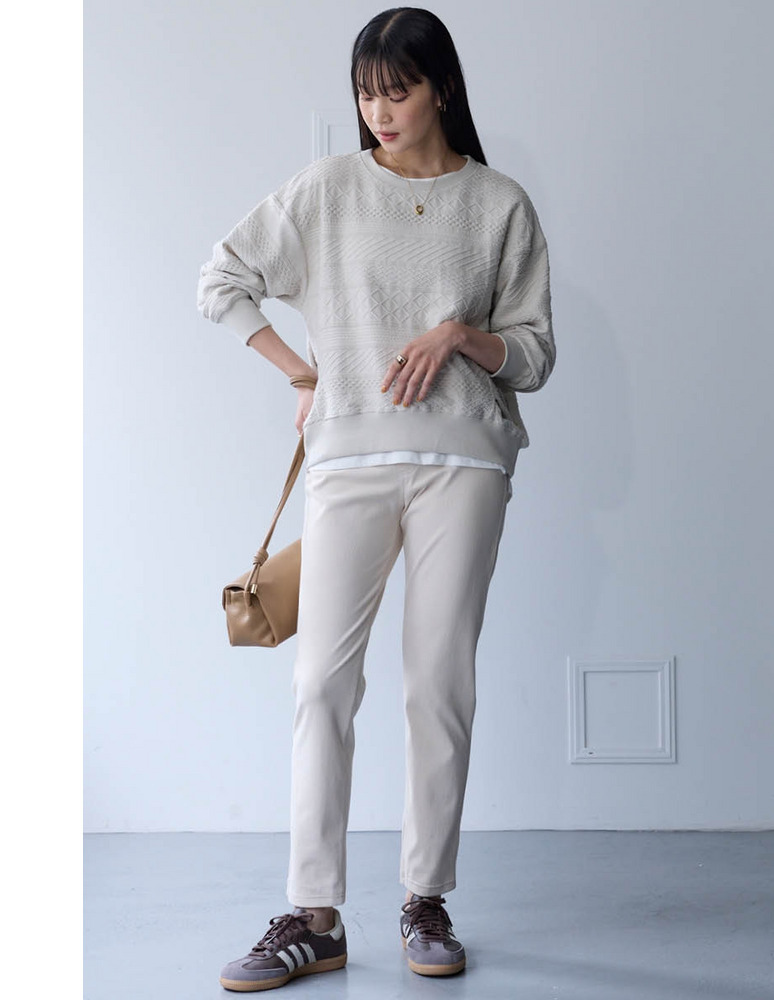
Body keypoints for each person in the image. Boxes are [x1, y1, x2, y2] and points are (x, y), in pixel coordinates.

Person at [196, 5, 554, 992]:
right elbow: (221, 279)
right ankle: (314, 917)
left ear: (442, 88)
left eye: (398, 90)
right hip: (349, 461)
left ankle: (424, 897)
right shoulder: (327, 192)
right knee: (321, 682)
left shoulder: (500, 204)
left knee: (438, 682)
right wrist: (299, 372)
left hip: (463, 464)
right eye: (366, 92)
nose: (379, 111)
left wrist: (460, 336)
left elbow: (534, 354)